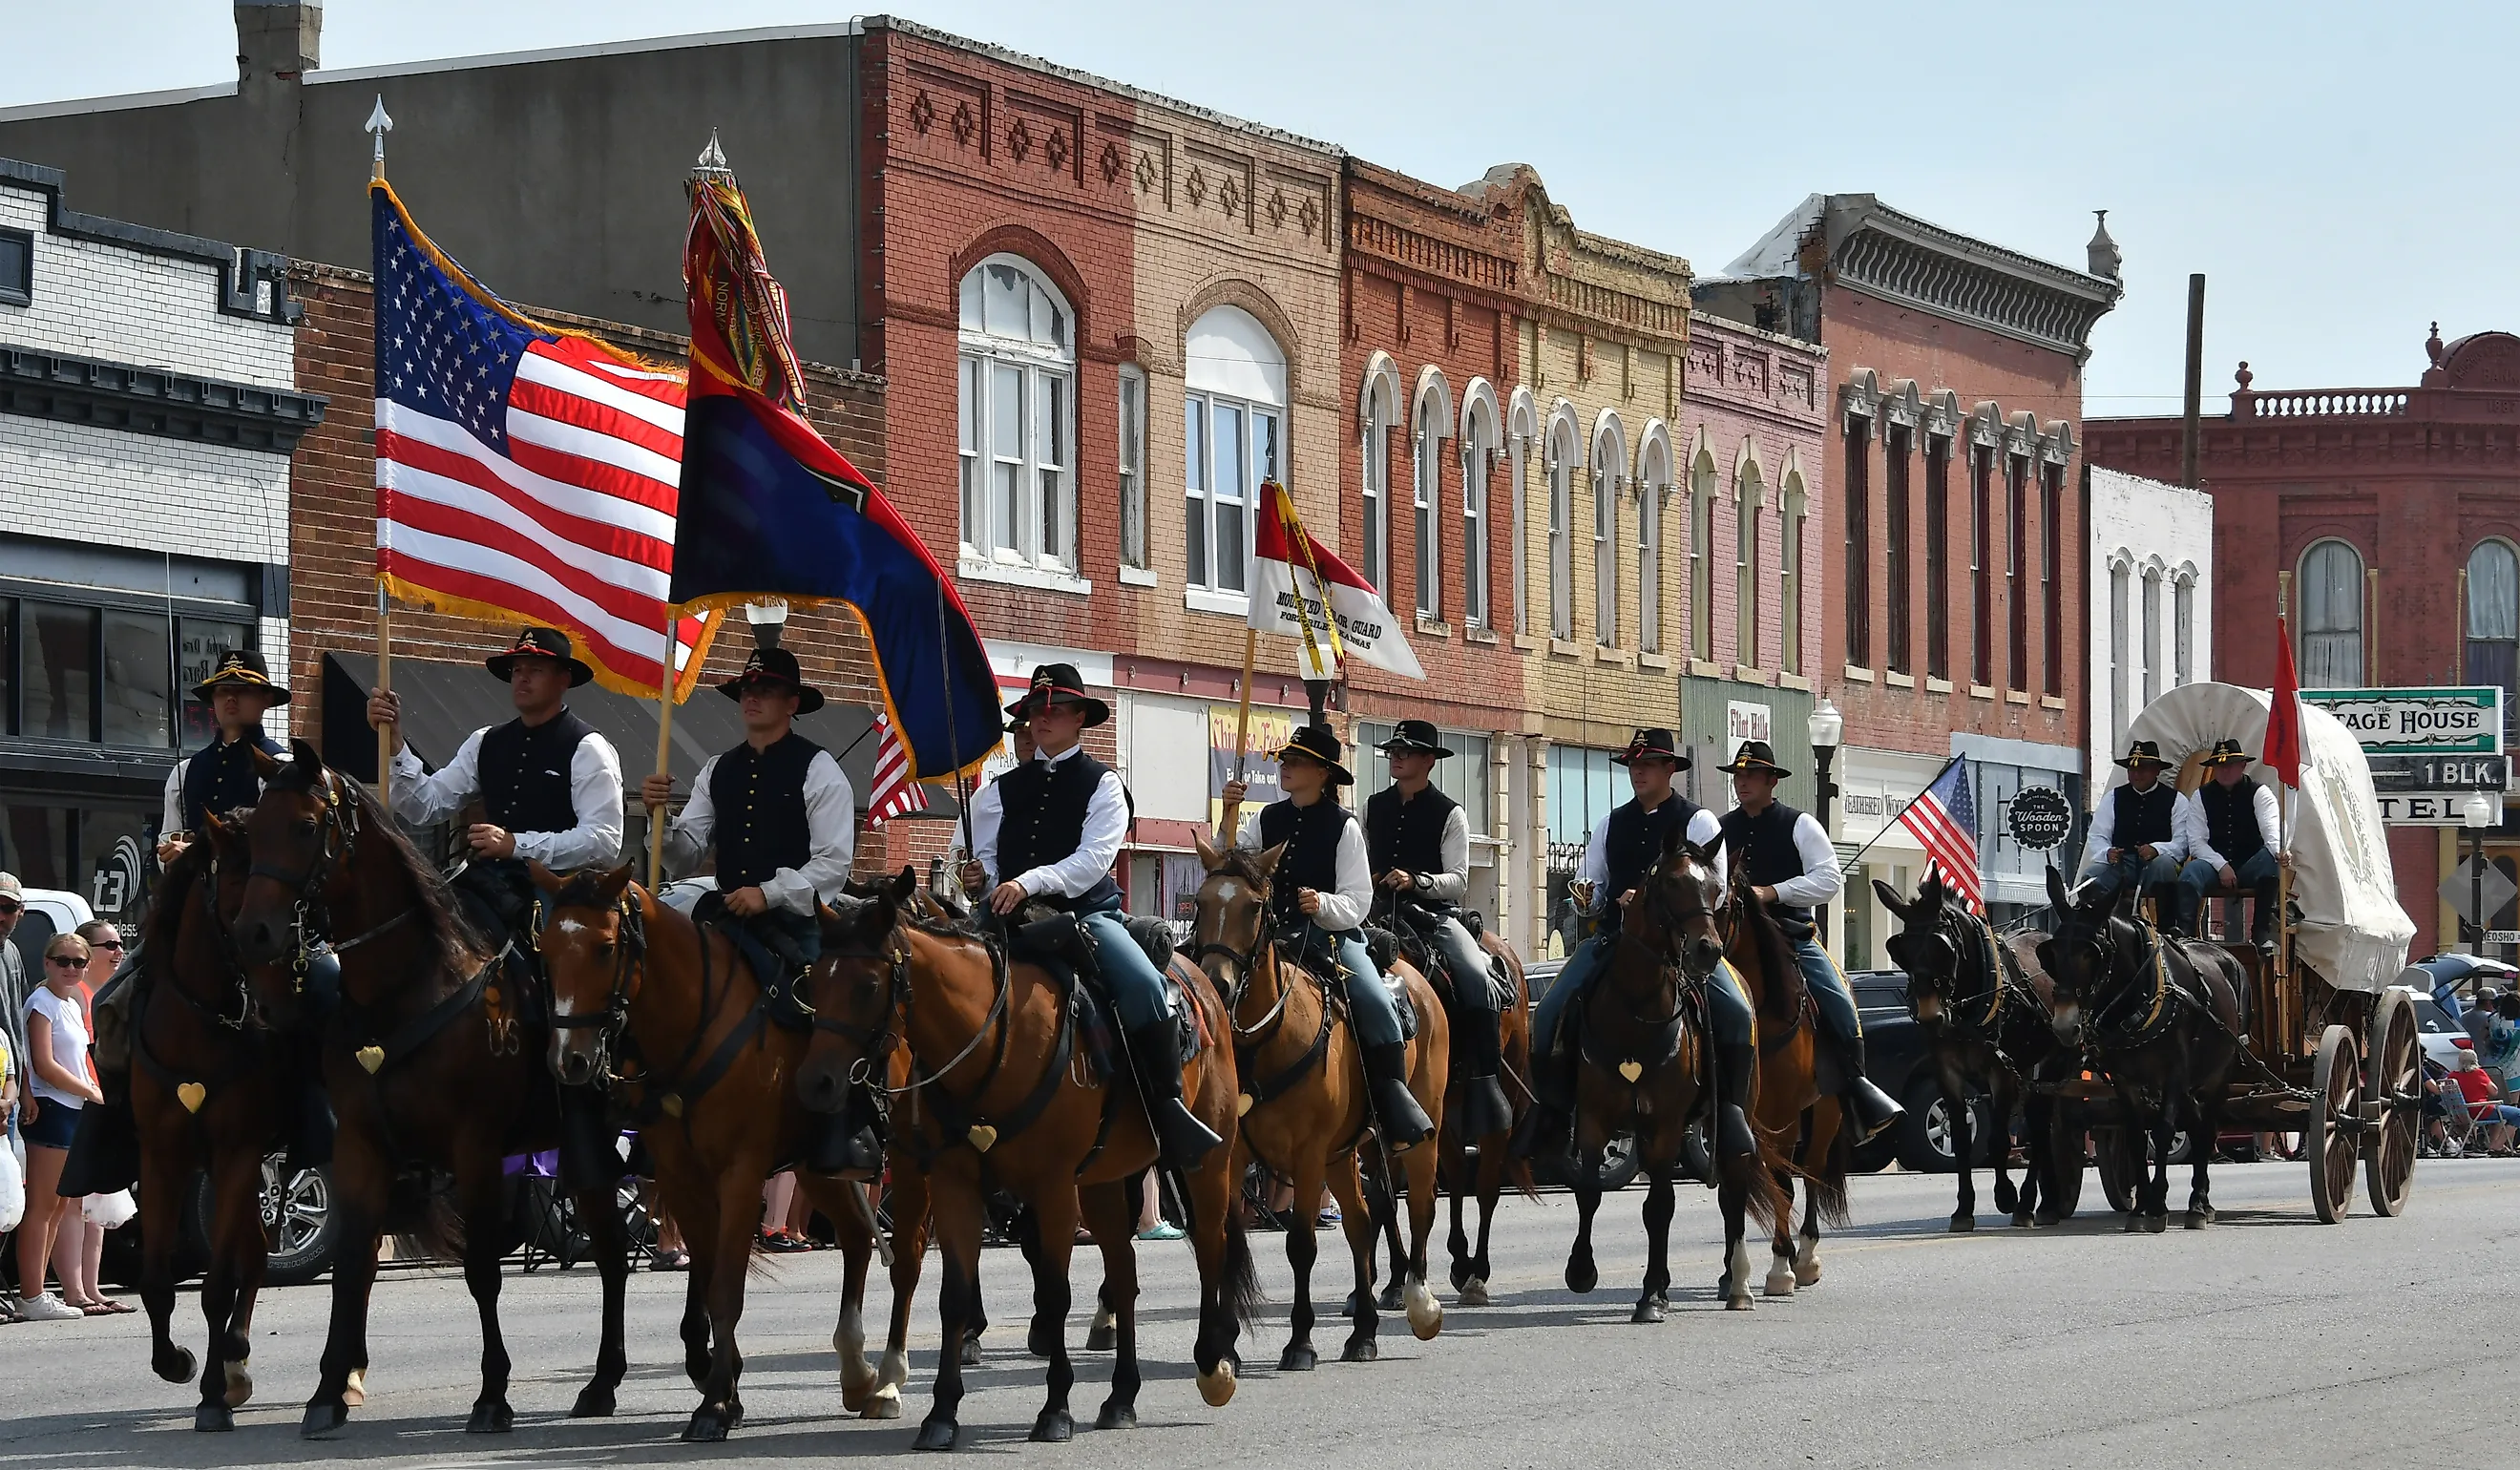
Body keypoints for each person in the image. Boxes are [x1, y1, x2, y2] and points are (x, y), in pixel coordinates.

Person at [368, 626, 622, 1188]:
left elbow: (604, 839)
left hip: (554, 894)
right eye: (516, 669)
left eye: (533, 668)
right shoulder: (486, 741)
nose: (521, 677)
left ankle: (583, 1100)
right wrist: (395, 745)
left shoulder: (587, 747)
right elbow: (424, 804)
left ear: (563, 680)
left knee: (564, 980)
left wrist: (518, 844)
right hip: (481, 886)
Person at [961, 664, 1222, 1168]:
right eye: (1035, 710)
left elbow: (1090, 864)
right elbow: (984, 860)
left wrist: (1025, 882)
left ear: (1080, 717)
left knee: (1145, 986)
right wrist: (983, 879)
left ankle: (1167, 1109)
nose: (1042, 719)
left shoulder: (1104, 785)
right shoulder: (996, 792)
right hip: (1008, 921)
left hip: (1084, 917)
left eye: (1054, 710)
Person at [1511, 728, 1752, 1163]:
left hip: (1680, 950)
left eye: (1648, 764)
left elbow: (1714, 887)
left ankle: (1730, 1113)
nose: (1638, 772)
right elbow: (1592, 882)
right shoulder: (1612, 822)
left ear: (1669, 769)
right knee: (1548, 1012)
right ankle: (1551, 1112)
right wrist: (1587, 894)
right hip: (1616, 939)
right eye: (1633, 765)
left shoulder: (1699, 822)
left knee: (1737, 1010)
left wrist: (1652, 903)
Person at [1219, 724, 1436, 1151]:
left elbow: (1357, 900)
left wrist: (1323, 904)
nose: (1286, 767)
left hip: (1330, 939)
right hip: (1270, 937)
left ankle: (1393, 1101)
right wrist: (1229, 813)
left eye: (1296, 762)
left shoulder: (1344, 826)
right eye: (1285, 760)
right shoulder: (1265, 818)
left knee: (1374, 1000)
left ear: (1323, 773)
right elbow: (1229, 866)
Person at [1713, 739, 1906, 1146]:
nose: (1743, 782)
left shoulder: (1798, 824)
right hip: (1731, 940)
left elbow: (1829, 879)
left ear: (1771, 781)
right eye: (1739, 775)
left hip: (1791, 936)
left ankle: (1857, 1091)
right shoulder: (1720, 829)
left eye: (1751, 775)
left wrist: (1774, 892)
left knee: (1837, 998)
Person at [644, 646, 853, 985]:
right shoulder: (717, 769)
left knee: (818, 1011)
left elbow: (833, 863)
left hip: (794, 923)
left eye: (765, 691)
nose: (752, 699)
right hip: (724, 917)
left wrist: (769, 893)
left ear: (792, 704)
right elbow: (684, 857)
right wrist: (660, 820)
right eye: (747, 690)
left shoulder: (819, 770)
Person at [1365, 720, 1512, 1138]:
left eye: (1406, 751)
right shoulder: (1373, 805)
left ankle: (1485, 1083)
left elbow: (1459, 880)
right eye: (1393, 750)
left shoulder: (1450, 813)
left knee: (1474, 973)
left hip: (1432, 916)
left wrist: (1416, 881)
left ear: (1429, 760)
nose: (1396, 756)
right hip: (1377, 912)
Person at [16, 933, 104, 1321]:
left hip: (74, 1107)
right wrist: (91, 1092)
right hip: (51, 1106)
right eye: (63, 961)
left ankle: (39, 1292)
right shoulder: (41, 1003)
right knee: (41, 1206)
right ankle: (31, 1294)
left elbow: (81, 1057)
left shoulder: (74, 1001)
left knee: (60, 1205)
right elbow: (43, 1063)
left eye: (79, 962)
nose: (71, 968)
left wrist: (94, 1090)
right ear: (47, 963)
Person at [157, 649, 289, 869]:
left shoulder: (281, 766)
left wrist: (195, 853)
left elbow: (281, 847)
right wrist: (170, 855)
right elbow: (166, 849)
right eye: (223, 690)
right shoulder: (185, 771)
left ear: (267, 699)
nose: (231, 698)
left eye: (243, 690)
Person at [2176, 739, 2288, 953]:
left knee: (2269, 862)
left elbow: (2271, 832)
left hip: (2249, 864)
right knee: (2190, 872)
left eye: (2229, 765)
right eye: (2220, 766)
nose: (2225, 770)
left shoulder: (2259, 793)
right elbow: (2197, 842)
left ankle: (2260, 933)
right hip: (2213, 865)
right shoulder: (2201, 796)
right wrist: (2221, 865)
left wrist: (2279, 852)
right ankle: (2186, 934)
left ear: (2242, 766)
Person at [2079, 740, 2194, 929]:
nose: (2136, 773)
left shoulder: (2176, 800)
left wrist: (2157, 850)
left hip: (2156, 866)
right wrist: (2107, 853)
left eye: (2143, 768)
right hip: (2122, 865)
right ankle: (2095, 927)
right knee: (2092, 876)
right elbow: (2097, 835)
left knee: (2165, 865)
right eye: (2132, 769)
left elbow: (2183, 843)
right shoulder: (2113, 798)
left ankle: (2168, 927)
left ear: (2157, 770)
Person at [2449, 1051, 2520, 1153]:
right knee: (2517, 1114)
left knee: (2498, 1114)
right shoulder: (2478, 1073)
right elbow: (2494, 1091)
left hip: (2461, 1113)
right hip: (2480, 1110)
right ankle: (2497, 1145)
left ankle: (2492, 1142)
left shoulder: (2452, 1076)